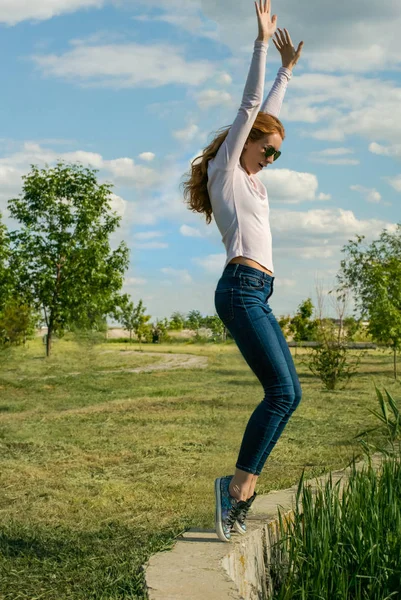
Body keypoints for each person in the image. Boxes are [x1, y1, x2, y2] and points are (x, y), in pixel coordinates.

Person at [183, 0, 304, 542]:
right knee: (281, 392)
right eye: (268, 151)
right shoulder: (227, 171)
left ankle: (237, 490)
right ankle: (236, 493)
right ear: (248, 141)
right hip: (240, 288)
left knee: (288, 393)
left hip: (257, 290)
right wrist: (260, 43)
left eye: (277, 155)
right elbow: (253, 104)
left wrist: (287, 72)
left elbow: (269, 110)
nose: (271, 160)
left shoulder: (251, 175)